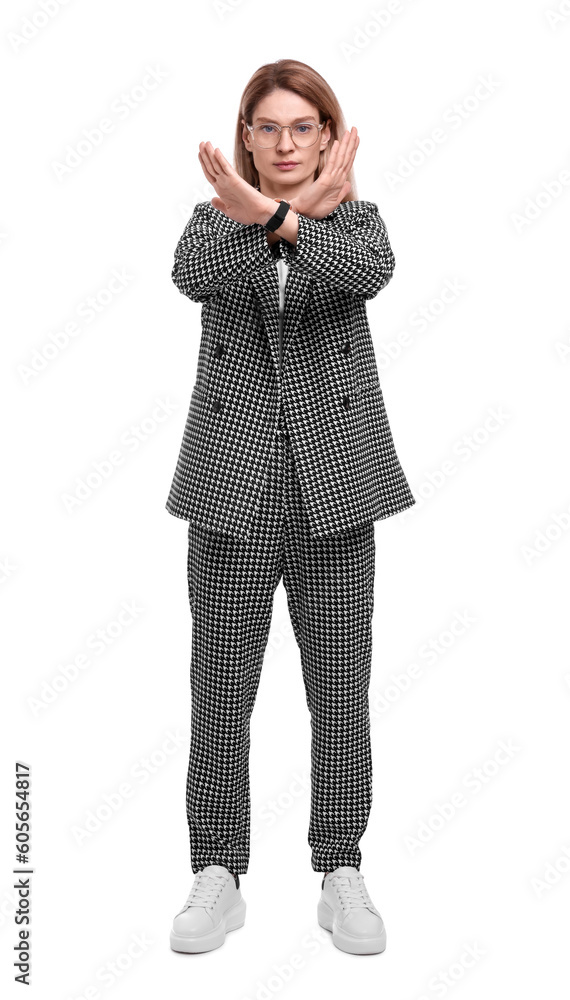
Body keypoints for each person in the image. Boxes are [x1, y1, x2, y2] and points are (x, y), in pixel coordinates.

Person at [167, 59, 415, 956]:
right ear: (246, 136)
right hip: (231, 488)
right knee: (220, 690)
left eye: (302, 127)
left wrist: (286, 217)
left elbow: (364, 273)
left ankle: (340, 867)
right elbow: (193, 276)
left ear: (328, 136)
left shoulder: (360, 225)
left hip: (334, 490)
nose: (284, 143)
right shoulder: (211, 224)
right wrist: (268, 216)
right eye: (268, 127)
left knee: (340, 691)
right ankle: (217, 870)